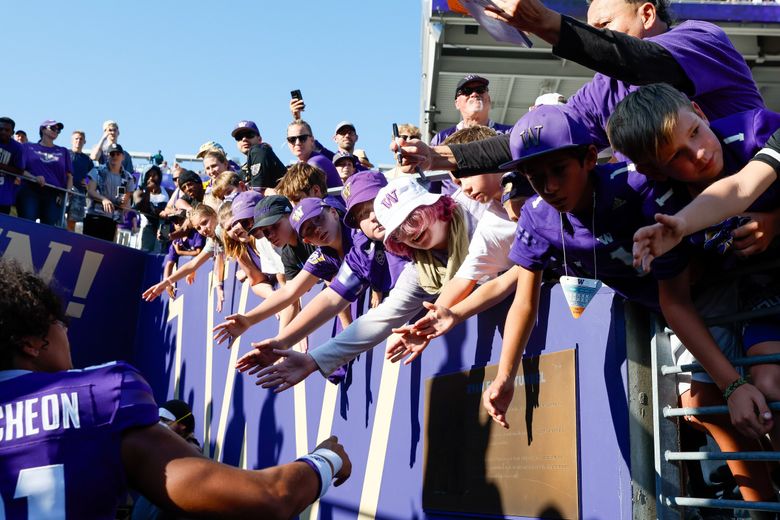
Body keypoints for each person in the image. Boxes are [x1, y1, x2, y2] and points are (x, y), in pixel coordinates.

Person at [403, 105, 778, 503]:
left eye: (558, 170)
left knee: (753, 392)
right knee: (705, 407)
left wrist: (732, 383)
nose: (548, 186)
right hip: (675, 308)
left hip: (715, 289)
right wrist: (504, 374)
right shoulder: (537, 218)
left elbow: (678, 295)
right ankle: (763, 507)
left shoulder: (638, 190)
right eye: (535, 176)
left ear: (587, 158)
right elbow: (522, 297)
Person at [0, 258, 351, 520]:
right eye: (60, 322)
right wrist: (328, 458)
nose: (67, 331)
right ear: (33, 342)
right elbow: (268, 498)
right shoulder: (98, 399)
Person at [396, 0, 765, 182]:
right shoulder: (604, 91)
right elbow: (535, 137)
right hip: (689, 248)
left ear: (647, 14)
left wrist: (545, 22)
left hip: (761, 204)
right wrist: (438, 156)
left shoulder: (700, 38)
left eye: (604, 26)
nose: (597, 37)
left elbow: (646, 63)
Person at [606, 84, 780, 453]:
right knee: (769, 388)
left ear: (700, 112)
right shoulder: (662, 209)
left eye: (696, 132)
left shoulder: (757, 130)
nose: (699, 154)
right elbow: (675, 301)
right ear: (656, 171)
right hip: (763, 293)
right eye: (677, 157)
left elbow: (742, 187)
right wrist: (733, 386)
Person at [251, 176, 483, 392]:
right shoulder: (416, 269)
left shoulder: (478, 214)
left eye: (377, 206)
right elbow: (368, 313)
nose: (373, 216)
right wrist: (312, 358)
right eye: (361, 214)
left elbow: (506, 273)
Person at [234, 171, 407, 373]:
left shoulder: (362, 237)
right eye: (307, 231)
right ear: (306, 241)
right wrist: (256, 325)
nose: (316, 229)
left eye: (317, 219)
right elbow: (306, 294)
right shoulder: (339, 255)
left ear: (334, 212)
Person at [213, 196, 357, 349]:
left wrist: (348, 329)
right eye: (265, 232)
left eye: (274, 226)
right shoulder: (302, 254)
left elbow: (332, 290)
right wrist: (250, 320)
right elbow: (290, 291)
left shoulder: (355, 235)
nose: (270, 236)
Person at [142, 205, 227, 312]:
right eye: (198, 228)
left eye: (205, 222)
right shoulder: (212, 240)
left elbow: (218, 257)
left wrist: (218, 285)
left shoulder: (221, 228)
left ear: (214, 215)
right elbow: (193, 264)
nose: (203, 230)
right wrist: (166, 282)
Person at [430, 75, 513, 147]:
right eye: (467, 91)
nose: (474, 94)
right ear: (457, 103)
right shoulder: (441, 138)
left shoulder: (510, 133)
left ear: (489, 100)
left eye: (480, 89)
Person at [17, 120, 73, 227]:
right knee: (27, 224)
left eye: (58, 130)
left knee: (49, 228)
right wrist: (34, 177)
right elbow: (19, 169)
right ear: (42, 129)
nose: (56, 131)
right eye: (52, 128)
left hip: (53, 194)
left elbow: (69, 175)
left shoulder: (63, 151)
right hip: (30, 190)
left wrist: (67, 192)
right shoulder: (28, 147)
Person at [84, 143, 136, 242]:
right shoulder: (97, 170)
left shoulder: (128, 177)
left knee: (104, 253)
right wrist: (104, 200)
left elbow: (127, 200)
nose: (115, 156)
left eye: (118, 154)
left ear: (123, 157)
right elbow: (90, 191)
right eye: (112, 154)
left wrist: (124, 203)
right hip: (95, 216)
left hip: (113, 221)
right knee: (87, 248)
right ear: (108, 156)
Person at [231, 120, 286, 192]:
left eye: (249, 134)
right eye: (239, 137)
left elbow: (258, 192)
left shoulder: (260, 150)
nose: (244, 139)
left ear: (259, 139)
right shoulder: (241, 172)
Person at [286, 120, 342, 188]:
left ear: (312, 140)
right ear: (288, 143)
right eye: (292, 139)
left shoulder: (317, 161)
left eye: (302, 138)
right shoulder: (300, 165)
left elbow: (305, 190)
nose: (297, 143)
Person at [134, 165, 170, 253]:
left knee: (161, 254)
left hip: (164, 228)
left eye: (154, 175)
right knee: (144, 254)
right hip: (147, 229)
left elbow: (172, 208)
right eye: (148, 175)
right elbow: (139, 205)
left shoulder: (168, 192)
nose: (151, 178)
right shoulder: (139, 192)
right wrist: (147, 190)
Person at [66, 130, 93, 231]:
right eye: (76, 138)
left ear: (84, 142)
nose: (78, 141)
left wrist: (86, 182)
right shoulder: (65, 153)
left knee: (72, 222)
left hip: (79, 193)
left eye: (81, 139)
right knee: (57, 217)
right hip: (64, 190)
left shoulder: (87, 160)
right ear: (72, 140)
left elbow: (91, 176)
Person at [0, 117, 25, 215]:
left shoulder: (17, 148)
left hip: (3, 195)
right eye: (0, 129)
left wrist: (2, 166)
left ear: (12, 132)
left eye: (7, 130)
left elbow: (20, 171)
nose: (3, 132)